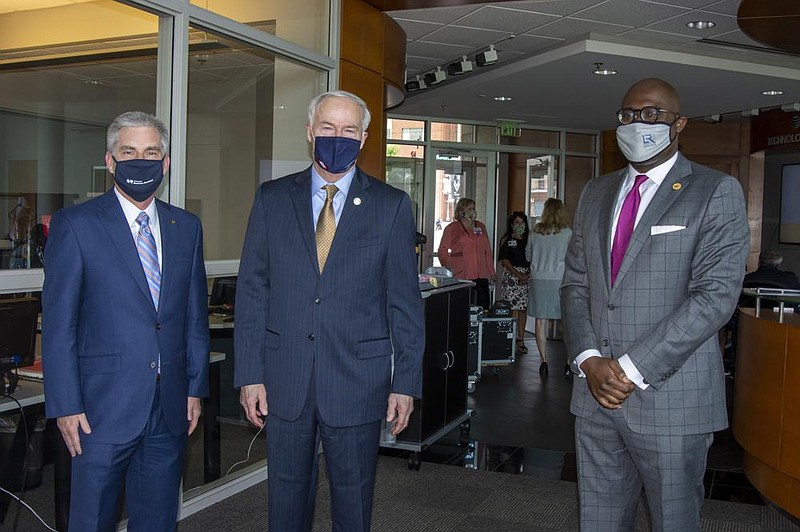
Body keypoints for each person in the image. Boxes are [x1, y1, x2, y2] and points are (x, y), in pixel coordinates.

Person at [561, 78, 749, 531]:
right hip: (594, 395)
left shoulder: (715, 191)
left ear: (678, 123)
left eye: (652, 114)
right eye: (628, 114)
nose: (637, 123)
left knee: (673, 521)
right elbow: (576, 285)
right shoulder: (596, 192)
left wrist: (626, 368)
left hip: (671, 400)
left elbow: (715, 296)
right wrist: (589, 361)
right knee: (600, 519)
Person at [235, 90, 424, 532]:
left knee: (354, 502)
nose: (337, 138)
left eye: (349, 131)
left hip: (358, 380)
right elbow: (252, 291)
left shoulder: (391, 205)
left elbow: (405, 303)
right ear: (309, 133)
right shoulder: (272, 198)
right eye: (327, 128)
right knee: (285, 500)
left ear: (363, 139)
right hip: (285, 378)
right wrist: (249, 374)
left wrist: (406, 383)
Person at [42, 111, 209, 531]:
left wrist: (194, 387)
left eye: (151, 152)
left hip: (168, 406)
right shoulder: (76, 224)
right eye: (129, 151)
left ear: (165, 163)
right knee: (92, 520)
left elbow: (193, 316)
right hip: (99, 409)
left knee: (156, 520)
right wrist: (65, 404)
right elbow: (60, 323)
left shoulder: (185, 226)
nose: (141, 160)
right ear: (111, 161)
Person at [525, 198, 571, 377]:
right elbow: (572, 257)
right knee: (565, 321)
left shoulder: (535, 232)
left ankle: (543, 360)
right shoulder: (567, 232)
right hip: (559, 279)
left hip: (538, 278)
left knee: (540, 321)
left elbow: (528, 255)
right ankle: (568, 362)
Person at [438, 197, 495, 311]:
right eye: (469, 208)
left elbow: (487, 251)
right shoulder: (452, 228)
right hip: (462, 275)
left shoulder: (481, 226)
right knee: (463, 309)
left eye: (473, 208)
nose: (472, 211)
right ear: (460, 211)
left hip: (481, 276)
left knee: (483, 308)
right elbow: (442, 251)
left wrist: (491, 272)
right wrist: (450, 267)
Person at [497, 211, 530, 352]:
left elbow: (536, 257)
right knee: (510, 309)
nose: (519, 225)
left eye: (522, 222)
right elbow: (505, 261)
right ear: (512, 224)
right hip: (512, 278)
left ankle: (520, 339)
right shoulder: (507, 240)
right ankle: (507, 339)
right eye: (517, 222)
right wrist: (518, 275)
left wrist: (527, 275)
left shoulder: (530, 239)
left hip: (527, 277)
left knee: (523, 310)